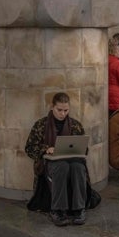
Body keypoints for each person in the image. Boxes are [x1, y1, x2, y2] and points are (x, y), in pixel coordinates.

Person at [25, 92, 89, 227]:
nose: (63, 114)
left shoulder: (75, 125)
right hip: (49, 163)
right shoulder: (41, 125)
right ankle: (57, 210)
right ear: (52, 107)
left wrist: (80, 149)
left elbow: (85, 149)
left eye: (66, 110)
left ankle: (79, 209)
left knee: (78, 167)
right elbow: (29, 148)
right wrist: (46, 149)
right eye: (59, 110)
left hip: (73, 161)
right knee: (62, 167)